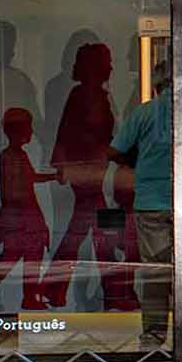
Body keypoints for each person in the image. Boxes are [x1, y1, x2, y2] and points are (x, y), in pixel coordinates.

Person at [45, 41, 128, 309]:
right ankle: (114, 291)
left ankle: (55, 288)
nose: (112, 67)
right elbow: (74, 135)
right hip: (91, 175)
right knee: (99, 230)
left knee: (87, 231)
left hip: (93, 173)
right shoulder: (86, 96)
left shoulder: (91, 95)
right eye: (107, 62)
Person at [108, 55, 173, 344]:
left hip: (150, 202)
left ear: (157, 85)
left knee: (156, 271)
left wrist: (133, 162)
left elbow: (114, 150)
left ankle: (154, 336)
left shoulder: (144, 113)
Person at [0, 108, 58, 310]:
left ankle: (30, 298)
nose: (31, 132)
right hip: (20, 221)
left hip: (24, 220)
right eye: (28, 127)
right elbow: (15, 192)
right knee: (13, 258)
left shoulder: (18, 155)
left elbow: (29, 180)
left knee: (29, 259)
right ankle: (30, 298)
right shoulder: (8, 156)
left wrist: (53, 177)